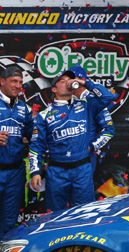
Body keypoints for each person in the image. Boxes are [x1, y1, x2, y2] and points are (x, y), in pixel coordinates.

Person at [29, 67, 116, 212]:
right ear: (54, 89)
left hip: (82, 169)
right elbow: (36, 146)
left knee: (86, 212)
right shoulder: (43, 115)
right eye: (62, 81)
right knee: (55, 215)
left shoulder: (86, 105)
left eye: (69, 80)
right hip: (57, 171)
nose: (68, 83)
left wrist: (85, 83)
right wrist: (35, 172)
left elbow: (107, 97)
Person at [0, 66, 33, 236]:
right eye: (14, 81)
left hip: (16, 171)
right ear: (2, 81)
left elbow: (34, 137)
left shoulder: (25, 109)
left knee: (9, 219)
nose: (18, 85)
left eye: (20, 82)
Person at [88, 106, 114, 174]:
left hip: (85, 162)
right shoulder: (57, 104)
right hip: (59, 163)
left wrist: (91, 147)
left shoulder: (96, 103)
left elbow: (109, 130)